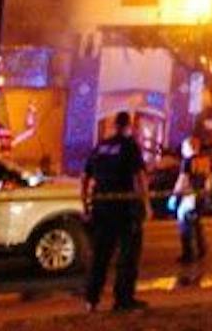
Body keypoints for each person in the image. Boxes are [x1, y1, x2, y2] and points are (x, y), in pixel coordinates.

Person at [82, 110, 150, 312]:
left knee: (100, 256)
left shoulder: (100, 147)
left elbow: (84, 177)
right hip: (125, 208)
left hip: (101, 207)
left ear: (114, 125)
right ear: (128, 126)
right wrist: (145, 205)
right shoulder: (130, 146)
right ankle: (123, 299)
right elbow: (140, 177)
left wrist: (85, 203)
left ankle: (91, 300)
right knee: (128, 256)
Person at [170, 133, 212, 264]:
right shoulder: (205, 160)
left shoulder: (187, 162)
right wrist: (206, 192)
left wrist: (174, 195)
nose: (182, 150)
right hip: (200, 196)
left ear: (189, 148)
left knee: (184, 225)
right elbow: (210, 178)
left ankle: (188, 254)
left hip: (188, 198)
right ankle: (201, 249)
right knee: (197, 223)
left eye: (184, 147)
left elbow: (183, 179)